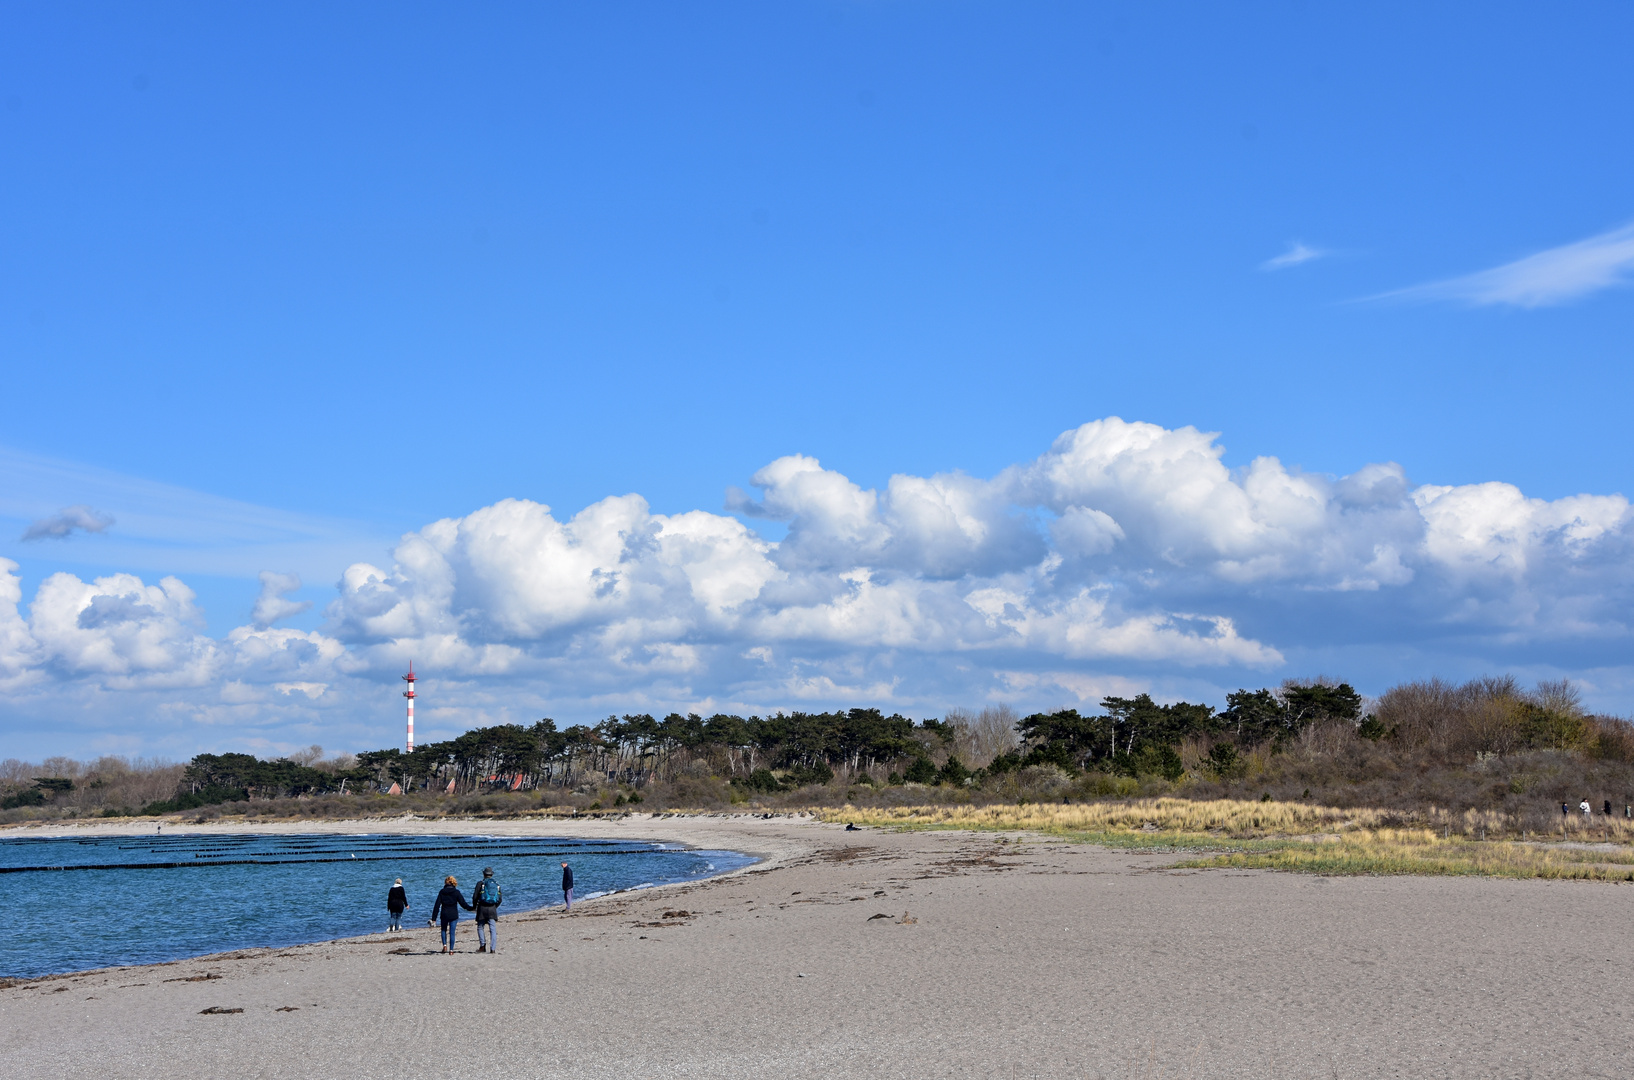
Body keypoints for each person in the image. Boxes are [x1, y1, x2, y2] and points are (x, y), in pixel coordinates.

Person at [429, 875, 472, 954]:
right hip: (453, 914)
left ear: (445, 883)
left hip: (444, 914)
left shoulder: (442, 892)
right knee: (452, 932)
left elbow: (437, 905)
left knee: (443, 930)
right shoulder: (456, 892)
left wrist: (434, 918)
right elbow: (463, 904)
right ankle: (451, 950)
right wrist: (471, 908)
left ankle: (445, 945)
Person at [473, 867, 503, 953]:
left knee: (480, 927)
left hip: (482, 907)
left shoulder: (480, 883)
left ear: (484, 874)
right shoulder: (496, 884)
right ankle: (492, 948)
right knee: (492, 928)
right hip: (492, 908)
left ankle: (482, 946)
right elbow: (500, 899)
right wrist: (495, 906)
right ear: (492, 874)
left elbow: (475, 897)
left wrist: (474, 907)